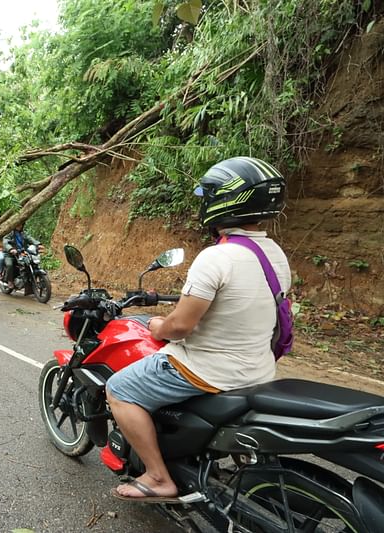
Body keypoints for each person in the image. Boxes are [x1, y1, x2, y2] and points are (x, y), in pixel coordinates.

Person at [105, 156, 291, 502]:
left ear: (223, 201)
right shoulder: (275, 254)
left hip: (209, 370)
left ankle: (158, 477)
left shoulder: (216, 258)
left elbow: (180, 326)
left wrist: (159, 325)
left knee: (119, 389)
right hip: (260, 369)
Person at [1, 222, 43, 288]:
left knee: (31, 262)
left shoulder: (23, 233)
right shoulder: (9, 233)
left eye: (20, 224)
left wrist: (38, 244)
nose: (19, 226)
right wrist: (11, 249)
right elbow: (5, 242)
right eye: (17, 224)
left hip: (22, 252)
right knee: (10, 265)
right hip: (10, 254)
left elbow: (30, 238)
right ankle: (9, 281)